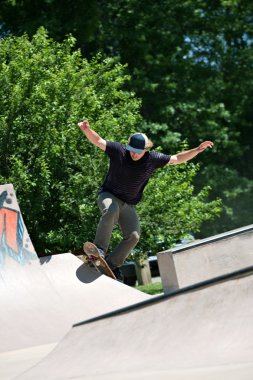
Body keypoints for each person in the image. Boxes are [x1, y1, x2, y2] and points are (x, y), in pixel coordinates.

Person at [78, 120, 213, 281]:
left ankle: (112, 265)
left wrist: (197, 150)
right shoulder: (119, 150)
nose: (134, 154)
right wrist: (87, 130)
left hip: (128, 204)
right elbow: (98, 141)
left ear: (146, 150)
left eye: (138, 152)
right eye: (132, 151)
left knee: (134, 236)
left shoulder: (153, 159)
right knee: (111, 210)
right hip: (109, 195)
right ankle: (99, 250)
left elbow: (177, 158)